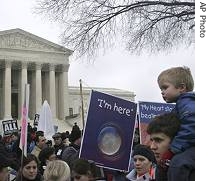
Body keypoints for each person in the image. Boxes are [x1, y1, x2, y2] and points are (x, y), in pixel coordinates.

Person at [157, 66, 195, 181]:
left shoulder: (187, 103)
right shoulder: (180, 106)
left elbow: (192, 126)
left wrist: (173, 149)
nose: (162, 92)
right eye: (161, 89)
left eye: (165, 88)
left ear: (181, 88)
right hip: (188, 147)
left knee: (177, 164)